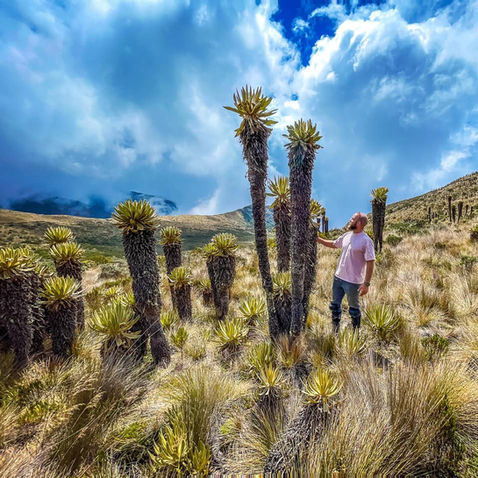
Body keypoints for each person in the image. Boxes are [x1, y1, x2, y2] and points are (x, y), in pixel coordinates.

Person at [317, 212, 375, 333]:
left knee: (353, 309)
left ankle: (355, 334)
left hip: (353, 282)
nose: (350, 220)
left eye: (352, 219)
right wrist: (318, 240)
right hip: (338, 278)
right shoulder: (347, 236)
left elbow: (370, 262)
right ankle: (335, 331)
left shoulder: (366, 241)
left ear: (359, 223)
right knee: (335, 306)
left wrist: (366, 284)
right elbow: (334, 244)